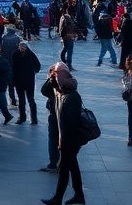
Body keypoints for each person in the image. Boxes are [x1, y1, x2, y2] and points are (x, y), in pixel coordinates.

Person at [42, 63, 85, 205]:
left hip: (70, 142)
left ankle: (59, 198)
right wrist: (52, 76)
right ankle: (77, 196)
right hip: (69, 141)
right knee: (71, 168)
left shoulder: (70, 98)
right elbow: (48, 89)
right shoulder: (66, 94)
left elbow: (71, 125)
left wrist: (62, 142)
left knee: (65, 169)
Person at [12, 40, 42, 124]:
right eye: (21, 47)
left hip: (29, 81)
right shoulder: (15, 54)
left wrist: (34, 71)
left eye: (24, 47)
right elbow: (13, 67)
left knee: (30, 99)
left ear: (26, 47)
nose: (22, 49)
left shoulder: (30, 54)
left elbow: (38, 65)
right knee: (21, 101)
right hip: (19, 81)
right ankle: (22, 117)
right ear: (18, 47)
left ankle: (34, 118)